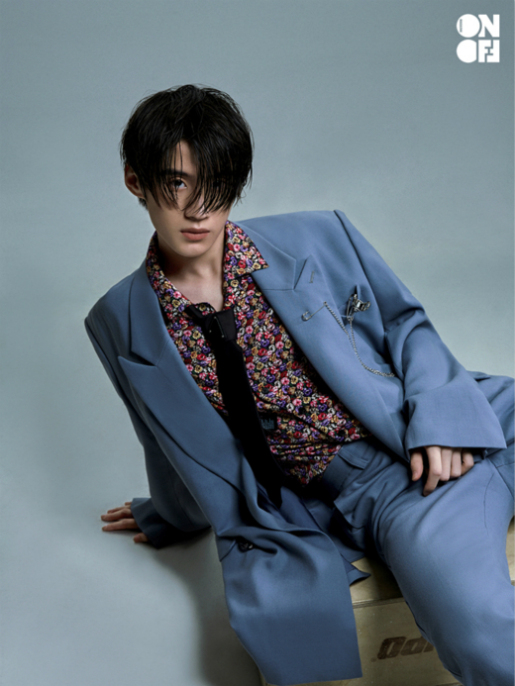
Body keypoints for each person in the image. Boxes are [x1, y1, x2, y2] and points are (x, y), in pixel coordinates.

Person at [86, 84, 514, 686]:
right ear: (136, 181)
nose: (200, 209)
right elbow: (164, 442)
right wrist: (166, 515)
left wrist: (442, 420)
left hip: (425, 439)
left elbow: (404, 325)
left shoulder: (317, 235)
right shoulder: (121, 320)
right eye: (178, 183)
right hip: (356, 497)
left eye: (218, 184)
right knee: (466, 630)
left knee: (476, 623)